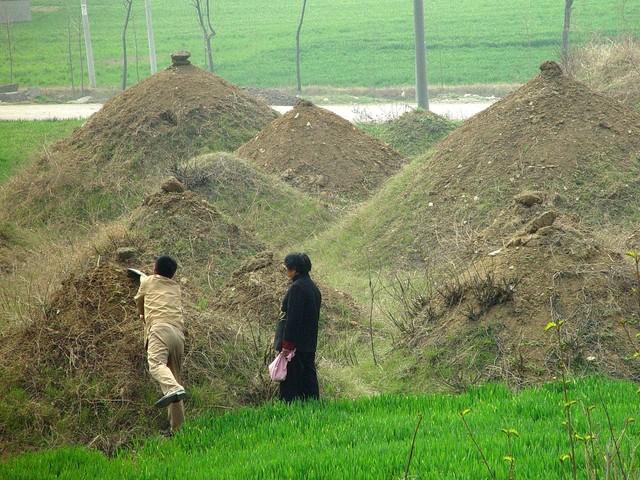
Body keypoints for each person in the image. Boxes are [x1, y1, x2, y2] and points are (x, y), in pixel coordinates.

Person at [134, 255, 186, 434]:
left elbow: (139, 304)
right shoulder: (176, 287)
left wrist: (142, 315)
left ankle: (174, 388)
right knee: (173, 381)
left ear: (155, 269)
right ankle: (177, 430)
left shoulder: (147, 282)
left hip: (160, 330)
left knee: (156, 365)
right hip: (178, 335)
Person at [279, 253, 322, 402]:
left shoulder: (297, 288)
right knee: (308, 377)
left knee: (291, 380)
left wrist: (287, 345)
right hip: (309, 342)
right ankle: (312, 406)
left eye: (288, 268)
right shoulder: (313, 288)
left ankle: (289, 410)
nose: (286, 271)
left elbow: (293, 319)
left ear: (295, 269)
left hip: (295, 344)